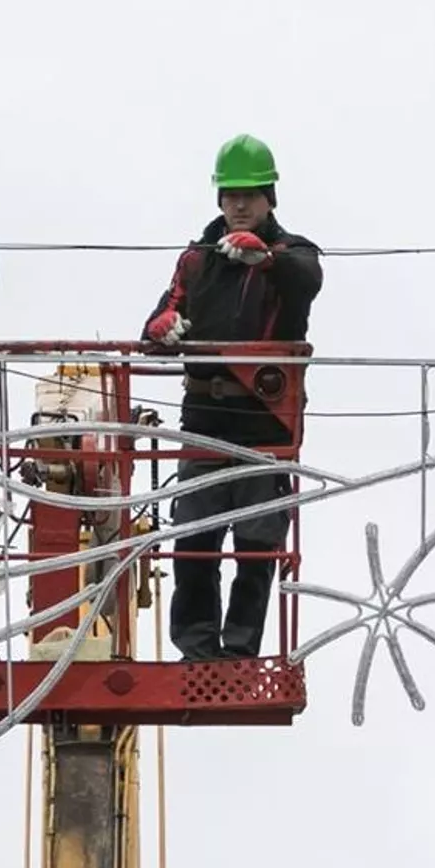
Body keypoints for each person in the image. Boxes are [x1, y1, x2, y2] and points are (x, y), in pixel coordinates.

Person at [141, 135, 323, 660]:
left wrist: (264, 259)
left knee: (257, 543)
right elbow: (158, 318)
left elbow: (306, 277)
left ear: (269, 198)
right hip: (204, 417)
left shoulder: (293, 254)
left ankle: (241, 651)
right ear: (220, 199)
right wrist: (162, 325)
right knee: (194, 540)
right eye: (231, 196)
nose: (239, 205)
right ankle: (197, 648)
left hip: (262, 421)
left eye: (249, 195)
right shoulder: (198, 260)